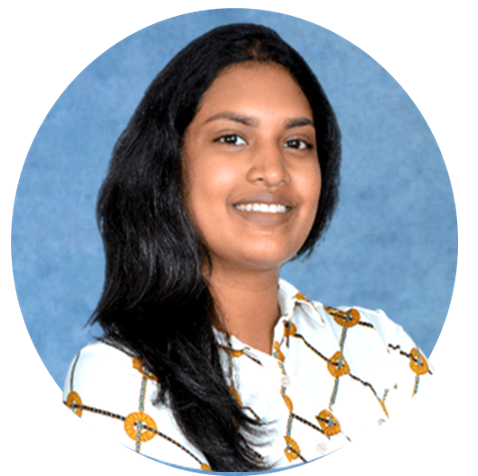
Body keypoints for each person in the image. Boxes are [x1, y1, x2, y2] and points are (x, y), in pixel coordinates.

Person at [62, 23, 434, 472]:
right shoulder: (117, 380)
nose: (273, 171)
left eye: (296, 143)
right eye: (232, 138)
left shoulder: (381, 349)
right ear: (167, 164)